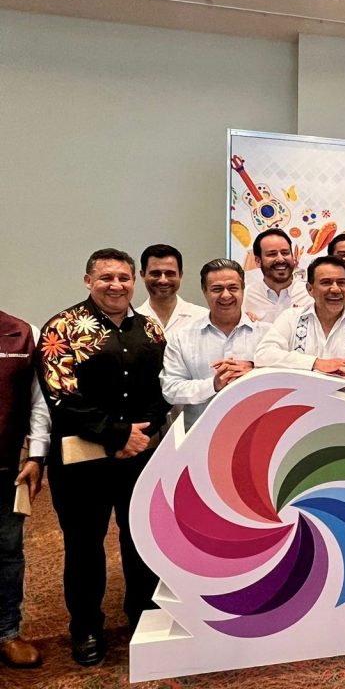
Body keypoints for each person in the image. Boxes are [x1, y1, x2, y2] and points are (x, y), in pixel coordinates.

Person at [37, 248, 169, 666]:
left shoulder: (150, 329)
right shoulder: (62, 328)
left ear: (134, 281)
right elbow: (61, 397)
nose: (116, 285)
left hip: (138, 457)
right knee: (84, 546)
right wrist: (118, 434)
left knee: (141, 540)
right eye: (106, 277)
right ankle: (87, 627)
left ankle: (143, 614)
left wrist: (139, 434)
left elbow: (162, 390)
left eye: (123, 278)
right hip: (82, 464)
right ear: (88, 280)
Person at [160, 259, 269, 430]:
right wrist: (213, 385)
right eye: (217, 289)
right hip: (199, 436)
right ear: (204, 292)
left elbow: (287, 379)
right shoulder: (182, 338)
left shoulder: (268, 334)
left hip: (257, 434)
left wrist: (254, 372)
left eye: (233, 288)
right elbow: (171, 390)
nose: (225, 295)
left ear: (243, 289)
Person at [0, 309, 50, 669]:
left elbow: (38, 401)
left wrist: (36, 455)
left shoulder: (22, 333)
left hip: (7, 467)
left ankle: (7, 632)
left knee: (7, 551)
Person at [256, 256, 345, 397]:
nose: (336, 289)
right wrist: (316, 363)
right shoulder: (291, 317)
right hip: (299, 405)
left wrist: (298, 367)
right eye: (326, 282)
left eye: (341, 283)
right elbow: (263, 355)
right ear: (310, 289)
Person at [135, 244, 208, 337]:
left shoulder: (202, 318)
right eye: (156, 274)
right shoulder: (131, 322)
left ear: (180, 275)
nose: (163, 280)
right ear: (142, 275)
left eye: (170, 274)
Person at [242, 228, 312, 322]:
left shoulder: (311, 294)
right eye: (272, 254)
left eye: (285, 253)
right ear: (258, 261)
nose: (280, 259)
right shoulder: (245, 296)